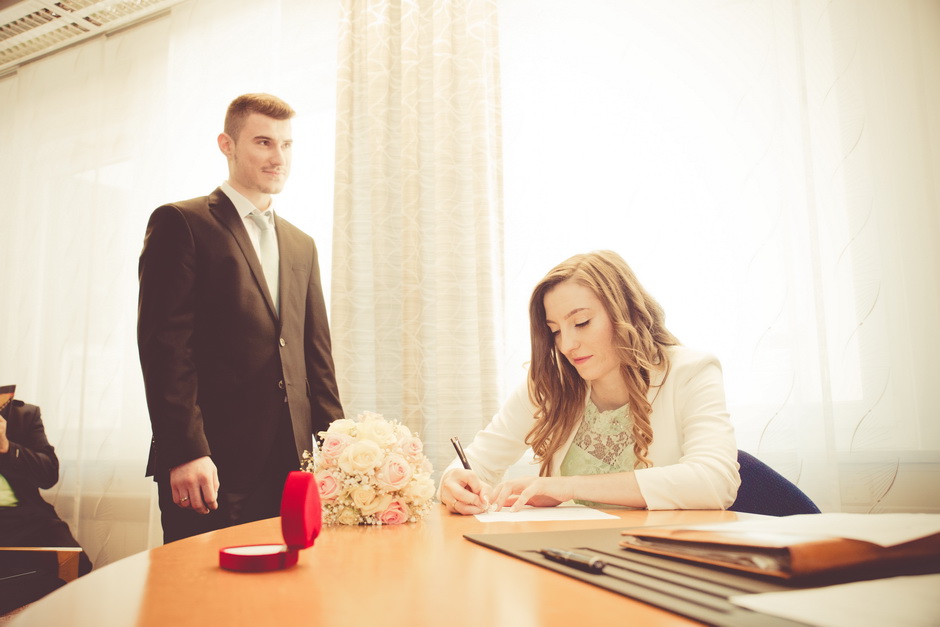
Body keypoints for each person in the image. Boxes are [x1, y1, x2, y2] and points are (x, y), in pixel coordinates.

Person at [137, 93, 344, 543]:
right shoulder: (181, 222)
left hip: (291, 465)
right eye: (264, 142)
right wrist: (185, 452)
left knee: (285, 599)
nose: (279, 157)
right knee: (205, 603)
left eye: (287, 145)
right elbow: (165, 348)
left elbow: (316, 356)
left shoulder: (301, 244)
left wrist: (336, 450)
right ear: (226, 145)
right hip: (210, 465)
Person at [439, 250, 740, 514]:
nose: (567, 345)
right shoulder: (549, 385)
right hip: (572, 555)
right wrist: (453, 484)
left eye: (581, 323)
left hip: (663, 558)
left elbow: (716, 481)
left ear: (626, 312)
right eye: (555, 330)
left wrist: (569, 487)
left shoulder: (692, 371)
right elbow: (477, 463)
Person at [0, 393, 92, 614]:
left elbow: (49, 475)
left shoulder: (23, 415)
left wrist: (6, 446)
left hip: (23, 518)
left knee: (76, 564)